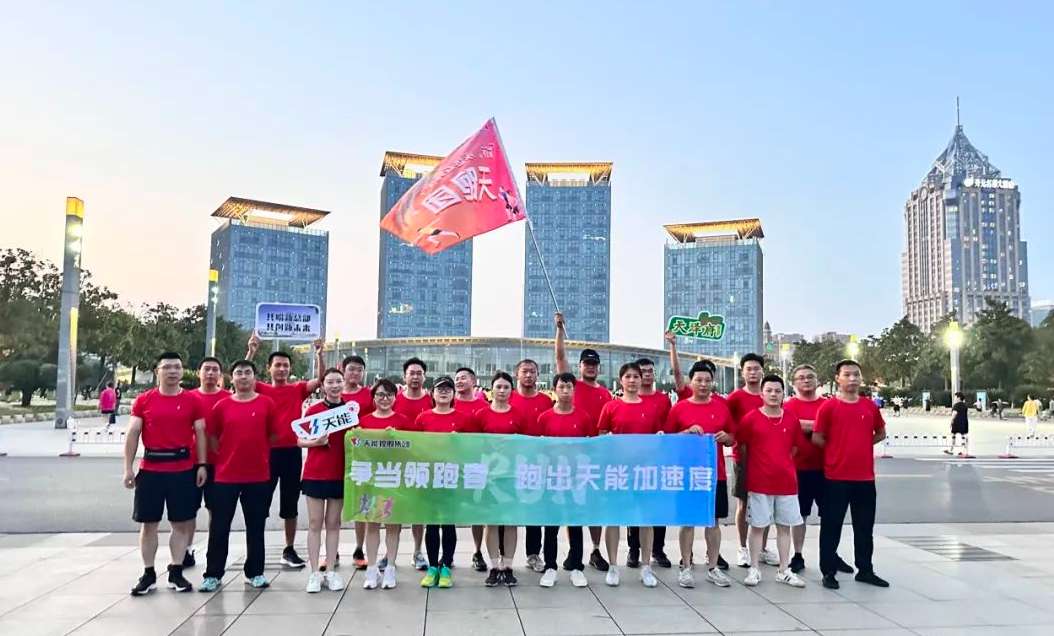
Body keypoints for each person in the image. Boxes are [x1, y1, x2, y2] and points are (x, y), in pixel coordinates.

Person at [123, 352, 208, 596]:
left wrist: (202, 464)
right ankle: (148, 573)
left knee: (180, 524)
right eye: (167, 367)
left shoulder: (192, 400)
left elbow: (201, 433)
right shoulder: (144, 400)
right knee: (148, 524)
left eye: (177, 367)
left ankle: (176, 570)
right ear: (157, 371)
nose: (172, 371)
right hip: (151, 470)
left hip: (182, 470)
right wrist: (128, 468)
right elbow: (133, 433)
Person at [199, 360, 282, 592]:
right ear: (231, 378)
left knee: (256, 526)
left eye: (247, 373)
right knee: (219, 527)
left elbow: (273, 436)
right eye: (239, 373)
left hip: (258, 475)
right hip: (226, 476)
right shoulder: (222, 406)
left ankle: (255, 572)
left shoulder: (267, 403)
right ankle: (213, 574)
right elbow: (213, 438)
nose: (243, 377)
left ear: (255, 377)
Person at [245, 333, 325, 569]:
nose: (281, 369)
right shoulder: (260, 388)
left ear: (290, 369)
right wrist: (251, 352)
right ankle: (255, 549)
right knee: (261, 503)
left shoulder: (297, 389)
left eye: (285, 365)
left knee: (290, 505)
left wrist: (320, 354)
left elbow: (321, 380)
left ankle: (288, 549)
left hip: (291, 452)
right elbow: (243, 377)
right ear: (268, 368)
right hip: (265, 454)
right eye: (277, 365)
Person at [813, 359, 889, 589]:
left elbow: (880, 432)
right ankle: (828, 571)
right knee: (831, 526)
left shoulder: (869, 406)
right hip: (835, 478)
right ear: (838, 378)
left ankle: (865, 570)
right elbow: (817, 438)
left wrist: (862, 444)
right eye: (847, 374)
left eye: (856, 374)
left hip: (865, 479)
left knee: (864, 528)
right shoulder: (828, 407)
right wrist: (837, 450)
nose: (852, 378)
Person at [665, 361, 734, 589]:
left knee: (713, 521)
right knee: (687, 522)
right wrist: (686, 432)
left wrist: (726, 437)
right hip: (688, 474)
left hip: (715, 475)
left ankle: (713, 567)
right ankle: (685, 566)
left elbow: (732, 437)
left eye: (707, 380)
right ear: (691, 382)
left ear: (712, 382)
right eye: (699, 380)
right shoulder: (679, 408)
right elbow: (668, 440)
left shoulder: (722, 407)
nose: (703, 384)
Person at [596, 362, 665, 588]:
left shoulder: (651, 408)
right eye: (628, 376)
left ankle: (646, 567)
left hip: (644, 472)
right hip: (618, 471)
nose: (633, 380)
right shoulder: (611, 407)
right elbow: (602, 436)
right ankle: (613, 565)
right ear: (621, 381)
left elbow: (658, 437)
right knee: (614, 518)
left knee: (646, 519)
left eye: (636, 376)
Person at [737, 374, 807, 588]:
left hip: (786, 484)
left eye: (778, 391)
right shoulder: (750, 419)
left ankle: (784, 570)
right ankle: (754, 568)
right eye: (769, 390)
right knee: (758, 526)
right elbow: (743, 447)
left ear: (784, 394)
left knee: (784, 527)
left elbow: (794, 448)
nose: (773, 394)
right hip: (759, 483)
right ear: (762, 393)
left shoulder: (791, 419)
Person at [554, 312, 611, 572]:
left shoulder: (606, 394)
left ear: (598, 368)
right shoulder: (571, 386)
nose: (590, 367)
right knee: (572, 507)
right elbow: (560, 357)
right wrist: (559, 330)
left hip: (595, 458)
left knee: (595, 507)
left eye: (594, 364)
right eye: (586, 363)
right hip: (569, 458)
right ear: (579, 367)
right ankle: (573, 550)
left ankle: (596, 550)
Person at [783, 364, 851, 576]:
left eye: (810, 377)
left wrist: (805, 425)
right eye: (801, 377)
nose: (806, 380)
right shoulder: (788, 406)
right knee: (799, 516)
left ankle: (831, 554)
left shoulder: (829, 404)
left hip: (828, 470)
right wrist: (818, 426)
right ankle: (798, 555)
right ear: (794, 383)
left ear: (817, 380)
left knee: (830, 516)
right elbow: (789, 427)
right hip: (798, 469)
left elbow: (836, 429)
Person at [537, 372, 593, 588]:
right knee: (551, 525)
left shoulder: (584, 417)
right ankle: (550, 566)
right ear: (554, 390)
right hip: (552, 479)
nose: (565, 391)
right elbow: (538, 449)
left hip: (575, 478)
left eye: (569, 387)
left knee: (575, 523)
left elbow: (591, 447)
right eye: (561, 387)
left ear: (574, 390)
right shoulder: (544, 418)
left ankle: (577, 567)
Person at [413, 376, 468, 588]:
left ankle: (446, 565)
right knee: (432, 523)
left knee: (448, 523)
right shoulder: (423, 418)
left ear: (454, 394)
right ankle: (432, 567)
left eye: (448, 389)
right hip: (429, 478)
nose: (443, 392)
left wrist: (458, 443)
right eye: (439, 389)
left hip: (452, 478)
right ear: (432, 394)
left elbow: (472, 448)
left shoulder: (462, 419)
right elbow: (414, 447)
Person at [298, 368, 349, 593]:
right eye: (330, 382)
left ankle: (330, 570)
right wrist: (316, 443)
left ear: (343, 383)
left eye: (338, 381)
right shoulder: (314, 410)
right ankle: (314, 573)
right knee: (314, 523)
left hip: (340, 473)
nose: (335, 386)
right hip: (315, 473)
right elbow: (299, 440)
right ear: (323, 385)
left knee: (334, 523)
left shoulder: (350, 411)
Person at [473, 372, 525, 587]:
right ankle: (494, 566)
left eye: (506, 387)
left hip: (511, 475)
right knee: (492, 521)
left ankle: (508, 566)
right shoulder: (481, 415)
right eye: (498, 387)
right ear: (491, 389)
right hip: (489, 476)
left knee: (510, 522)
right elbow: (473, 445)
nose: (502, 391)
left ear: (511, 390)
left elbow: (527, 445)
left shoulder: (519, 415)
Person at [727, 353, 778, 568]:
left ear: (762, 371)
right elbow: (727, 425)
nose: (753, 372)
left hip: (768, 459)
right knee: (744, 503)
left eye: (757, 368)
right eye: (749, 369)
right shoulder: (735, 398)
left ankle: (762, 548)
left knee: (765, 504)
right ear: (742, 372)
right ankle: (743, 548)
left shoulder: (770, 394)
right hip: (743, 458)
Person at [358, 379, 409, 590]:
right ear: (373, 398)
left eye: (389, 395)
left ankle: (390, 568)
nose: (384, 399)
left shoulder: (403, 421)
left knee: (393, 526)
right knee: (372, 524)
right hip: (371, 480)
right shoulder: (364, 421)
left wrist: (396, 437)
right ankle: (372, 569)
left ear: (395, 398)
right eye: (380, 394)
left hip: (394, 479)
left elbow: (413, 449)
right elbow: (357, 448)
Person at [183, 357, 231, 569]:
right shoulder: (188, 398)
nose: (210, 373)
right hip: (190, 462)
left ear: (220, 374)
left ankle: (214, 550)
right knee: (188, 510)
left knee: (216, 510)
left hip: (220, 464)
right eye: (207, 369)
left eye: (215, 370)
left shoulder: (228, 398)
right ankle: (186, 549)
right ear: (199, 373)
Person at [508, 358, 554, 574]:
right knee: (507, 510)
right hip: (510, 463)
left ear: (538, 375)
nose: (528, 375)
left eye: (532, 372)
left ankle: (533, 554)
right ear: (516, 374)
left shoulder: (546, 401)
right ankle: (502, 556)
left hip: (538, 463)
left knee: (535, 510)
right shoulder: (507, 397)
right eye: (524, 371)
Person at [628, 357, 673, 569]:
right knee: (634, 509)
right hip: (632, 464)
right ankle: (633, 550)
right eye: (642, 371)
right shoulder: (629, 401)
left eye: (649, 371)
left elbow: (669, 429)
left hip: (657, 462)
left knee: (657, 508)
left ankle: (658, 549)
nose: (646, 375)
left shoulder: (663, 400)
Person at [393, 357, 433, 571]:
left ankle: (418, 552)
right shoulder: (395, 398)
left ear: (424, 377)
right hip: (398, 462)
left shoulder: (431, 399)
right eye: (412, 373)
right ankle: (390, 554)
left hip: (423, 462)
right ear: (404, 376)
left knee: (419, 511)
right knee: (395, 509)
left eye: (419, 373)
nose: (415, 377)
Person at [452, 366, 490, 573]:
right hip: (450, 465)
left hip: (476, 464)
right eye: (457, 378)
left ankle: (477, 551)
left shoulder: (483, 406)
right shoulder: (448, 403)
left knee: (477, 511)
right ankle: (446, 554)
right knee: (447, 510)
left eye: (464, 378)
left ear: (474, 382)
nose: (459, 381)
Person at [340, 354, 375, 572]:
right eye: (351, 369)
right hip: (335, 453)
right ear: (343, 370)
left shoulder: (368, 395)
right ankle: (330, 550)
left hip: (361, 455)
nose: (355, 373)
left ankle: (359, 548)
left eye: (359, 370)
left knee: (362, 502)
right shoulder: (334, 392)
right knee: (333, 505)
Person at [946, 392, 970, 456]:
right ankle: (964, 451)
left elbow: (954, 414)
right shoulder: (965, 405)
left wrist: (951, 422)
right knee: (963, 436)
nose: (955, 398)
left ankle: (951, 450)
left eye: (955, 397)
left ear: (959, 398)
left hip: (956, 423)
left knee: (953, 436)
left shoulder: (956, 405)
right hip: (964, 422)